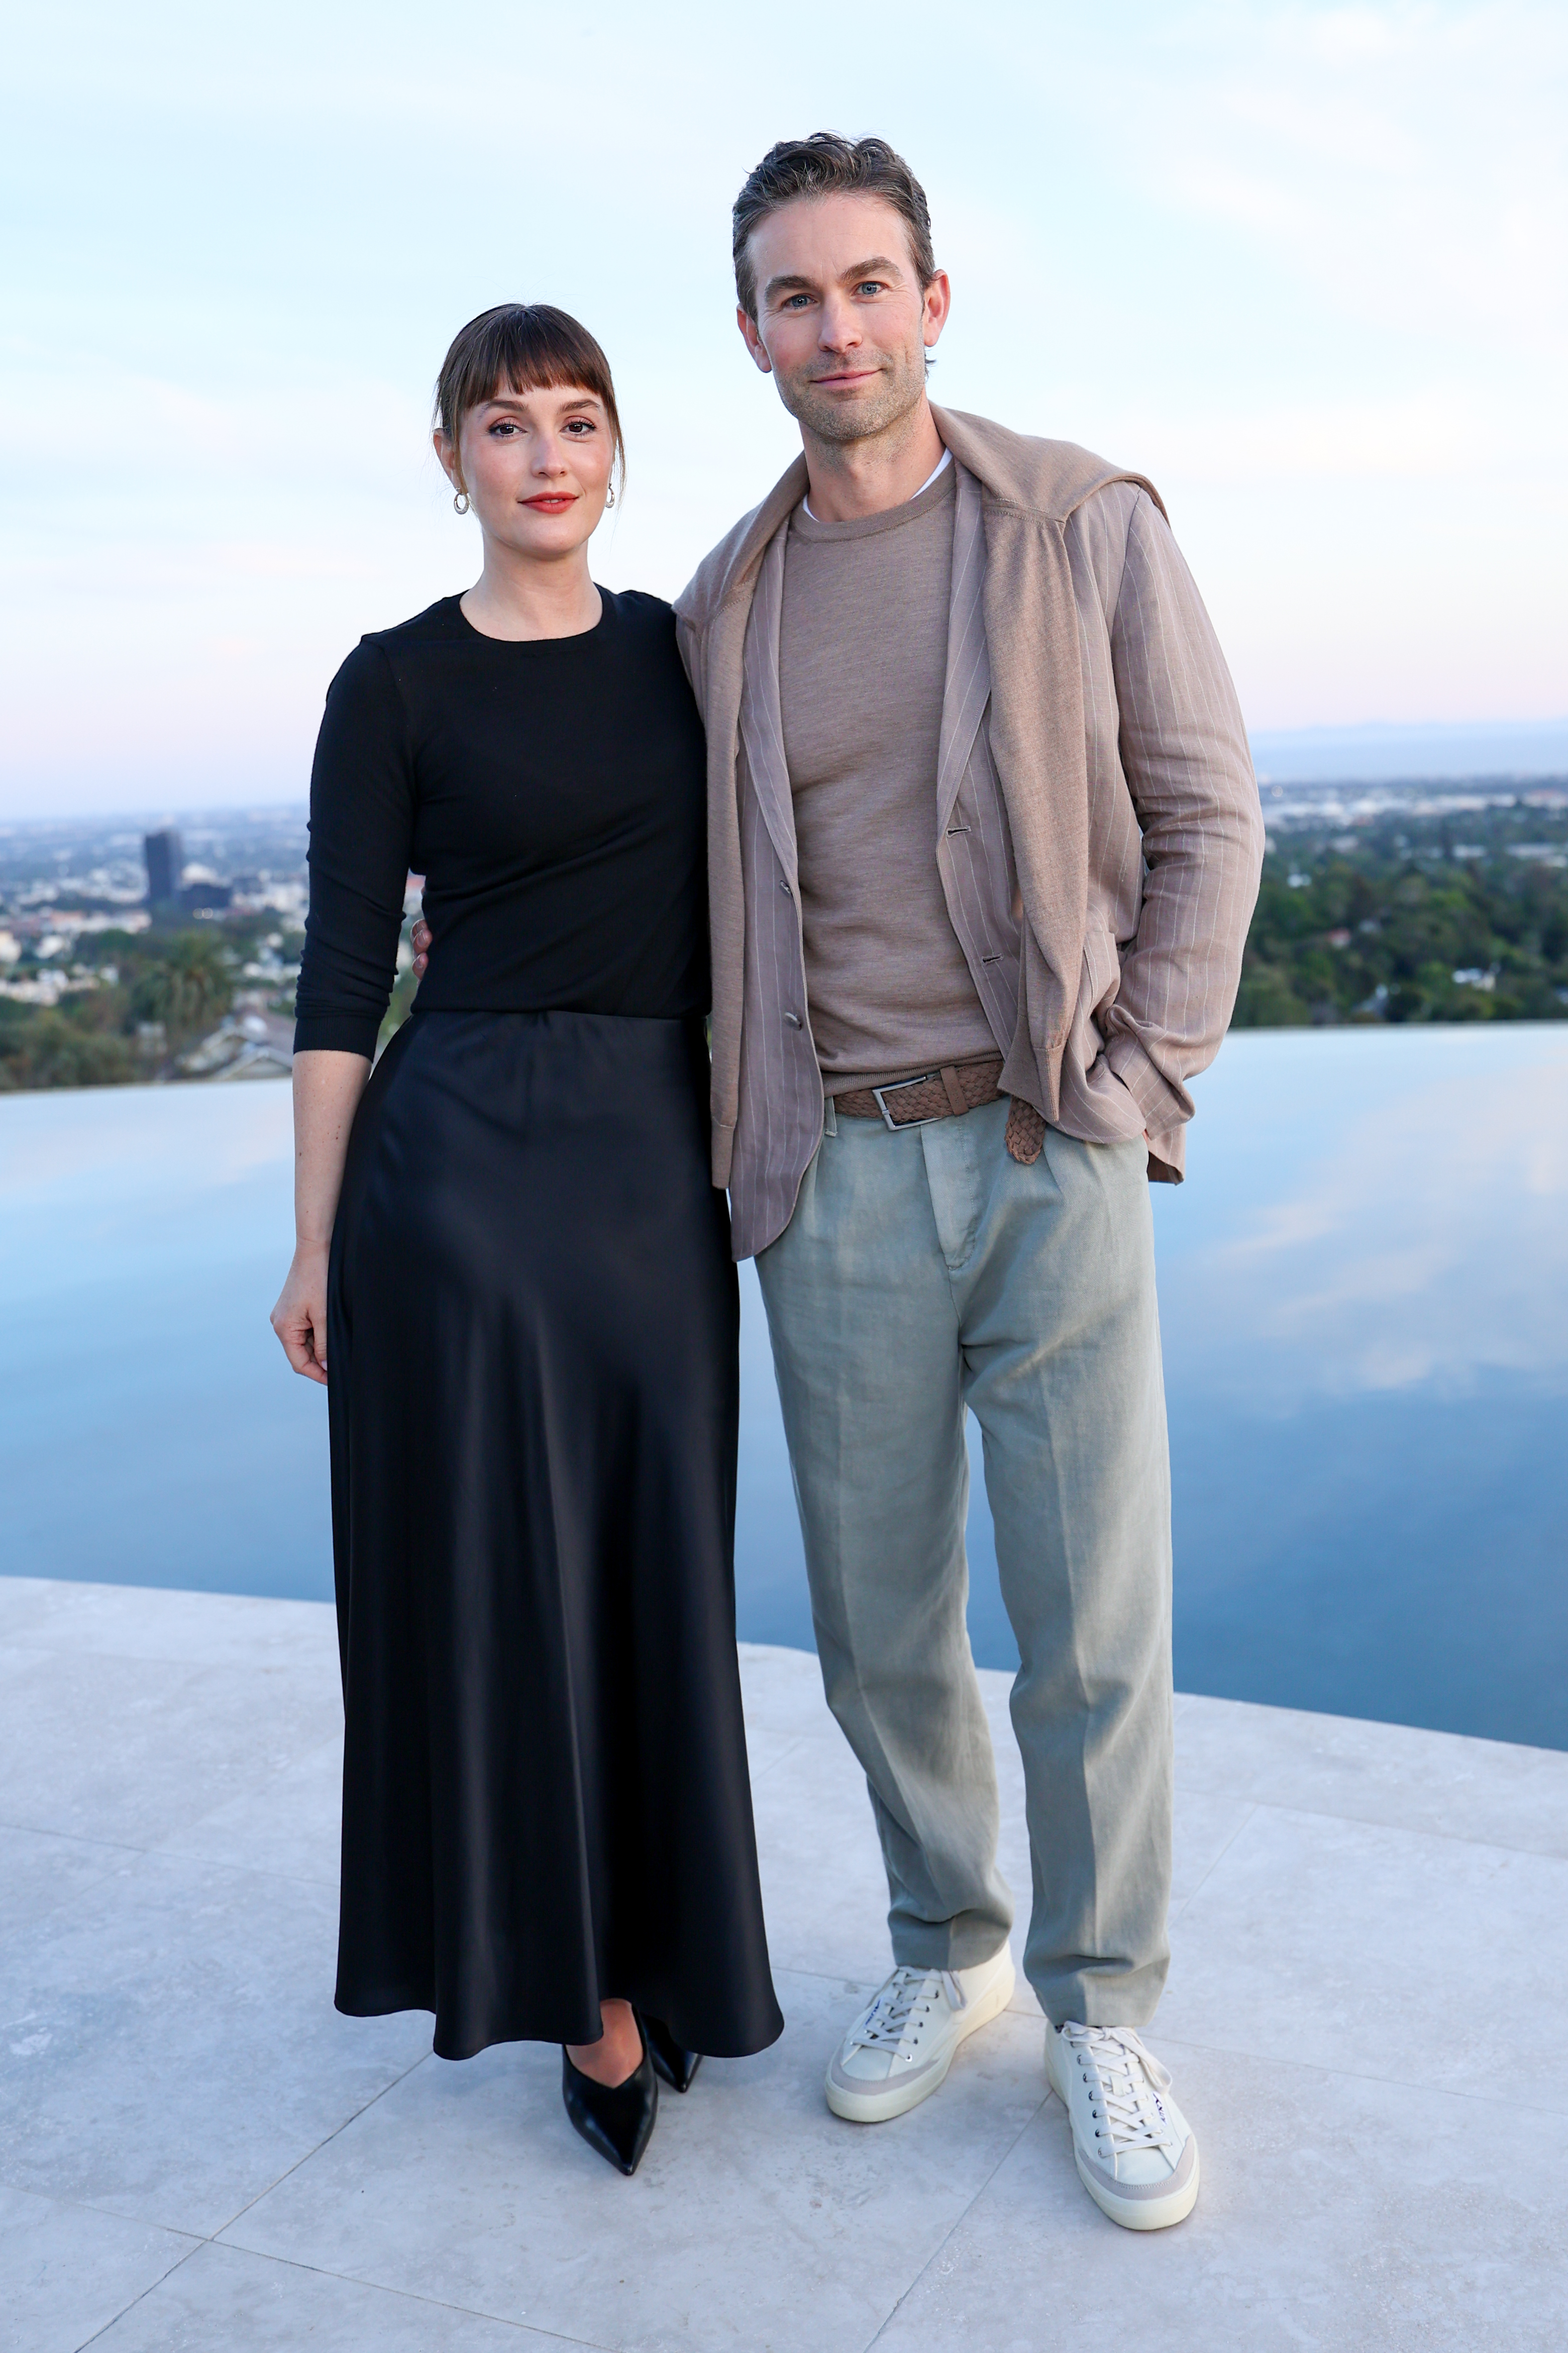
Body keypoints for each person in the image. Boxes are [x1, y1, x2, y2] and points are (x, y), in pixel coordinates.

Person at [673, 132, 1262, 2234]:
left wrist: (1132, 1073)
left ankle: (1103, 2006)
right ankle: (951, 1946)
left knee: (1091, 1616)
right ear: (750, 333)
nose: (837, 327)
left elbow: (1208, 817)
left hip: (1045, 1143)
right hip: (826, 1165)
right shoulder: (717, 607)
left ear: (936, 301)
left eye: (867, 284)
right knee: (875, 1622)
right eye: (793, 296)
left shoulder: (1079, 523)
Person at [270, 302, 783, 2181]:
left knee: (657, 1574)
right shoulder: (391, 683)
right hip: (459, 1182)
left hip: (658, 1176)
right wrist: (315, 1240)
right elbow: (337, 980)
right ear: (452, 460)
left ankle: (664, 1940)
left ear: (615, 449)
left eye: (578, 420)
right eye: (506, 425)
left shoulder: (679, 651)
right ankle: (587, 2001)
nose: (546, 453)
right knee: (514, 1598)